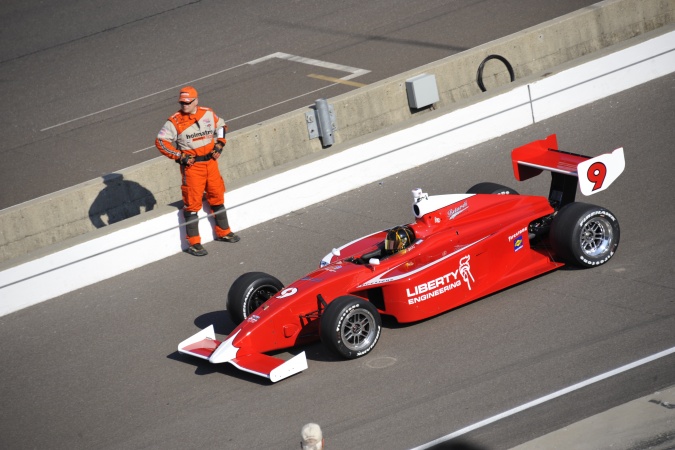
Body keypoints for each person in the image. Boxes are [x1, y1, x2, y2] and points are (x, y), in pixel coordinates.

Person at [155, 86, 240, 256]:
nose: (184, 105)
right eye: (182, 102)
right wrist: (179, 156)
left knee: (217, 196)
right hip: (192, 168)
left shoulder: (208, 113)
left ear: (196, 101)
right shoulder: (174, 121)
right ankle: (194, 243)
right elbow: (161, 142)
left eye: (187, 102)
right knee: (192, 205)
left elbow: (222, 126)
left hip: (211, 163)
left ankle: (224, 232)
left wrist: (220, 143)